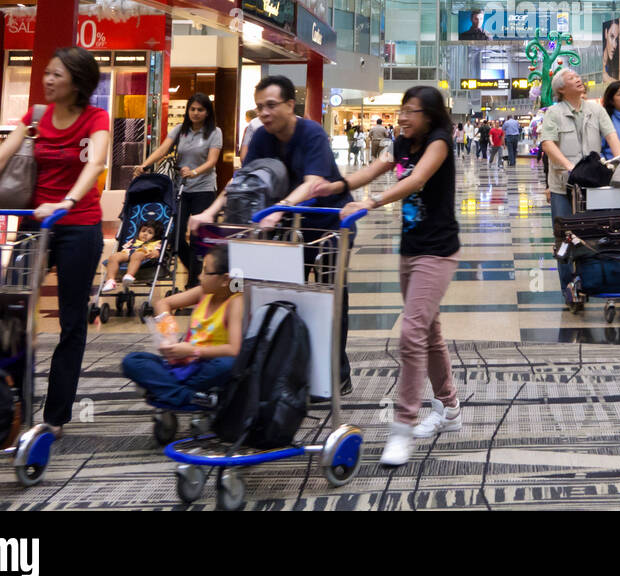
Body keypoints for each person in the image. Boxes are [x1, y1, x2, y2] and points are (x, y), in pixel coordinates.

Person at [0, 47, 109, 437]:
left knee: (71, 322)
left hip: (78, 226)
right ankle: (9, 401)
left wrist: (67, 200)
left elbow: (96, 162)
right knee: (10, 312)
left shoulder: (96, 117)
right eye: (47, 73)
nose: (48, 80)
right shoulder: (36, 116)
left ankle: (55, 416)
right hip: (33, 226)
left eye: (57, 75)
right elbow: (1, 157)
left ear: (77, 82)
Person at [189, 75, 356, 393]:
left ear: (290, 105)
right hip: (287, 230)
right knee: (289, 297)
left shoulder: (312, 134)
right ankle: (291, 368)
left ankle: (337, 372)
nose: (264, 113)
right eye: (259, 107)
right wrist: (210, 212)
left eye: (271, 105)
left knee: (331, 297)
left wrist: (282, 206)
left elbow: (313, 183)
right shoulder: (263, 138)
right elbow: (242, 181)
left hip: (327, 226)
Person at [337, 86, 463, 467]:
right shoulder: (401, 142)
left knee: (412, 333)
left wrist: (370, 203)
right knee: (429, 331)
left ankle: (402, 427)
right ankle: (451, 408)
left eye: (411, 111)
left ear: (430, 115)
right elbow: (374, 168)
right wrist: (336, 186)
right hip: (410, 248)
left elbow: (417, 181)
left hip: (438, 250)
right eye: (401, 110)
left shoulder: (438, 142)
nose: (403, 117)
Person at [120, 244, 243, 411]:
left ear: (225, 279)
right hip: (181, 364)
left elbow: (234, 350)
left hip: (206, 367)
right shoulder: (203, 292)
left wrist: (193, 351)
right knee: (132, 361)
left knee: (228, 365)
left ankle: (165, 390)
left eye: (206, 272)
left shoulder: (236, 302)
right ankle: (190, 397)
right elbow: (163, 303)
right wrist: (168, 333)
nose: (200, 277)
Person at [137, 93, 222, 287]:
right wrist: (145, 165)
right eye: (192, 109)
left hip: (204, 189)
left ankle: (192, 284)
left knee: (197, 237)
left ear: (207, 112)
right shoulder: (180, 130)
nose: (195, 113)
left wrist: (194, 171)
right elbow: (163, 149)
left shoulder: (214, 132)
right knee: (174, 235)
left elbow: (212, 161)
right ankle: (194, 272)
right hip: (181, 189)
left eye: (200, 109)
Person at [541, 68, 620, 224]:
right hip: (562, 184)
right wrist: (569, 166)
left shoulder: (596, 110)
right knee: (564, 230)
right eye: (571, 78)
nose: (578, 79)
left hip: (593, 181)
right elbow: (547, 144)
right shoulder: (553, 113)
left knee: (595, 229)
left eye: (577, 76)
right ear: (561, 89)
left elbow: (611, 136)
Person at [101, 220, 163, 293]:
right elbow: (124, 249)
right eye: (143, 231)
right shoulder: (133, 241)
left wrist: (155, 253)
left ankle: (129, 275)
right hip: (128, 254)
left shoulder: (157, 243)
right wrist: (120, 255)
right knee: (113, 257)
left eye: (150, 232)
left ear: (155, 236)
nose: (145, 234)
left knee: (137, 254)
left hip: (143, 256)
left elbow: (157, 252)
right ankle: (111, 281)